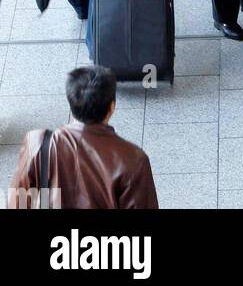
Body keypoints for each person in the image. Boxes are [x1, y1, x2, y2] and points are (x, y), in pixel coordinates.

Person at [8, 66, 158, 210]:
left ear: (71, 103)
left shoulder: (40, 143)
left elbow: (19, 201)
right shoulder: (133, 158)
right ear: (112, 107)